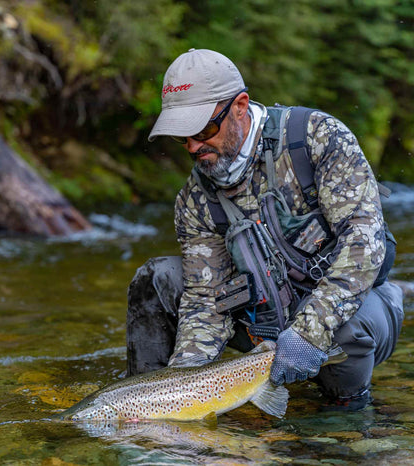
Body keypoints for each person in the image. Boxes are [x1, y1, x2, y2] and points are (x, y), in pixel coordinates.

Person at [126, 48, 404, 410]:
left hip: (351, 311)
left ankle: (347, 421)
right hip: (262, 323)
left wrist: (309, 332)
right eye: (183, 137)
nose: (193, 146)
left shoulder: (317, 138)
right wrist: (184, 389)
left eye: (203, 129)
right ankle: (142, 398)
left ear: (240, 105)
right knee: (156, 279)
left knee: (346, 340)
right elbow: (206, 301)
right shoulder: (195, 200)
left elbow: (364, 246)